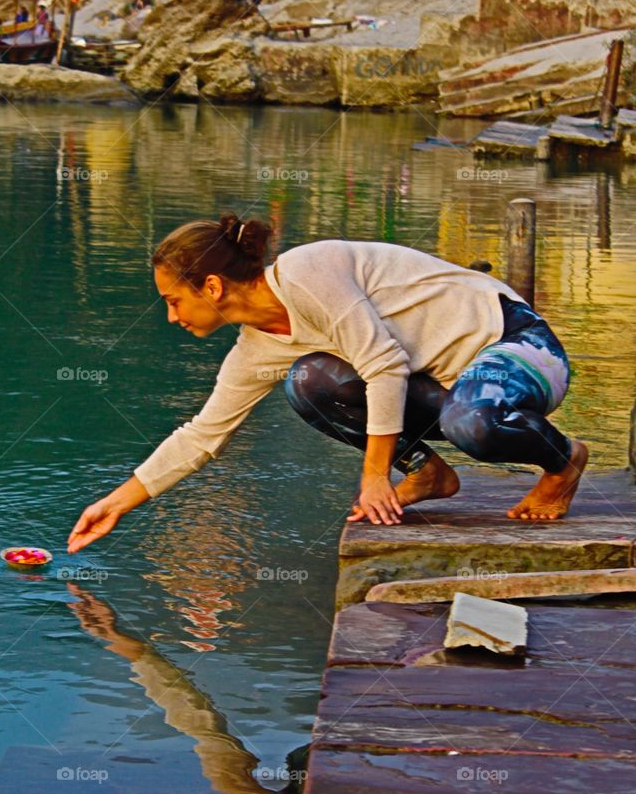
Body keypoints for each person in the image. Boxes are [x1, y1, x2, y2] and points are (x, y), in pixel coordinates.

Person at [67, 216, 588, 551]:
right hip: (444, 386)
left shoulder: (307, 272)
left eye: (173, 300)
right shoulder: (256, 349)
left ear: (212, 286)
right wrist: (115, 503)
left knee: (470, 420)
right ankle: (428, 473)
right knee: (309, 382)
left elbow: (383, 366)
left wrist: (373, 477)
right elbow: (203, 436)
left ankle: (562, 463)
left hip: (518, 345)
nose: (171, 317)